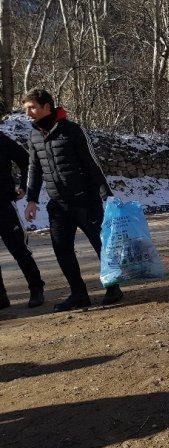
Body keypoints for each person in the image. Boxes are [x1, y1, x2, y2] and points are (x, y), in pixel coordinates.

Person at [22, 88, 123, 312]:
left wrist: (106, 195)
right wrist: (31, 200)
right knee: (62, 249)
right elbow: (34, 169)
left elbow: (92, 164)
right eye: (26, 109)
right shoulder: (34, 134)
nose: (28, 113)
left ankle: (113, 287)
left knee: (101, 245)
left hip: (85, 201)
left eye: (32, 108)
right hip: (57, 205)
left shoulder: (72, 130)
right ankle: (78, 294)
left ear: (46, 107)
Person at [0, 131, 45, 309]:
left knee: (19, 249)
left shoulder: (1, 140)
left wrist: (24, 188)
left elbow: (28, 161)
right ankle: (1, 296)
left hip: (3, 204)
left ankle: (36, 288)